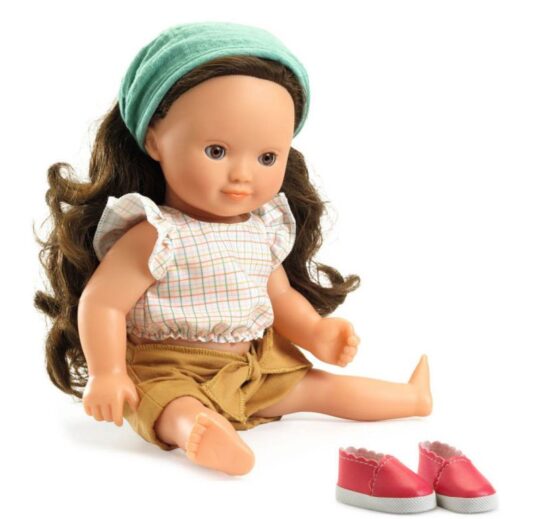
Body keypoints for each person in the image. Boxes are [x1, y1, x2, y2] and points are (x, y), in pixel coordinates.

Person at [34, 22, 432, 476]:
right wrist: (108, 373)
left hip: (253, 365)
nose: (243, 175)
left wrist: (316, 333)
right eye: (217, 151)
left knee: (319, 388)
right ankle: (198, 432)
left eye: (267, 158)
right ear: (155, 140)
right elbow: (103, 303)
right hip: (168, 366)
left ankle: (411, 398)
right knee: (167, 404)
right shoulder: (156, 233)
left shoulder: (261, 230)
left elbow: (279, 296)